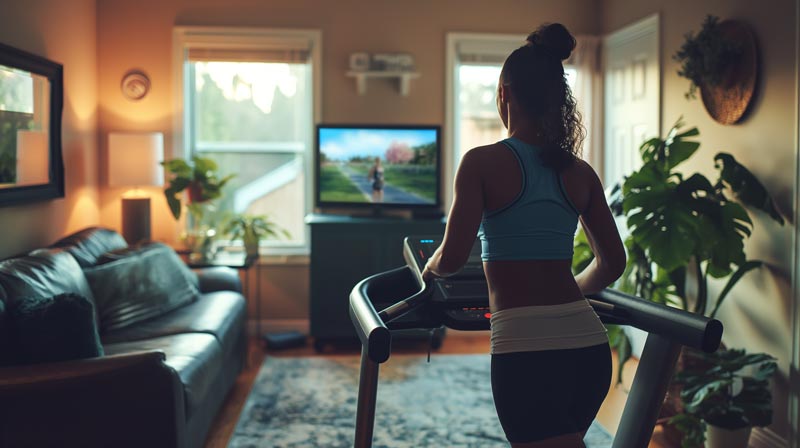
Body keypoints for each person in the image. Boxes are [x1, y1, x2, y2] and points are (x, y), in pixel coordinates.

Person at [421, 23, 626, 448]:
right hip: (588, 350)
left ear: (504, 94)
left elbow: (453, 257)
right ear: (556, 101)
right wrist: (573, 292)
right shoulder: (580, 172)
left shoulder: (480, 163)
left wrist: (429, 265)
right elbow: (613, 262)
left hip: (526, 350)